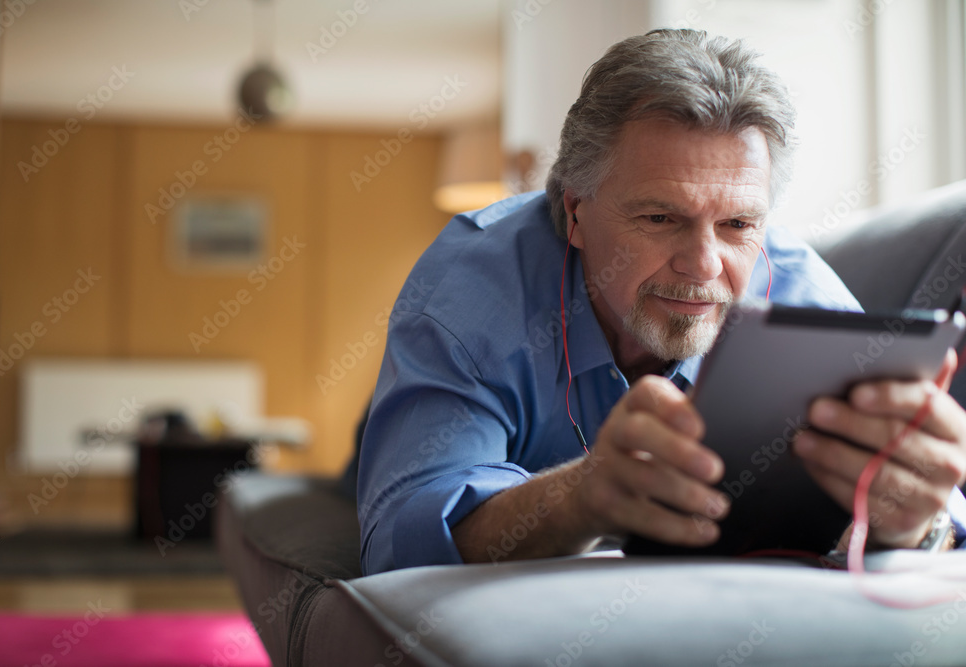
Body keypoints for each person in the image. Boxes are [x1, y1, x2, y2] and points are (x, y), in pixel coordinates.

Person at [356, 29, 966, 575]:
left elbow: (945, 526)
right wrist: (581, 498)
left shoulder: (803, 298)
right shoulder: (467, 293)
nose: (703, 264)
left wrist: (917, 522)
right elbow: (400, 532)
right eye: (659, 216)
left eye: (736, 224)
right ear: (574, 212)